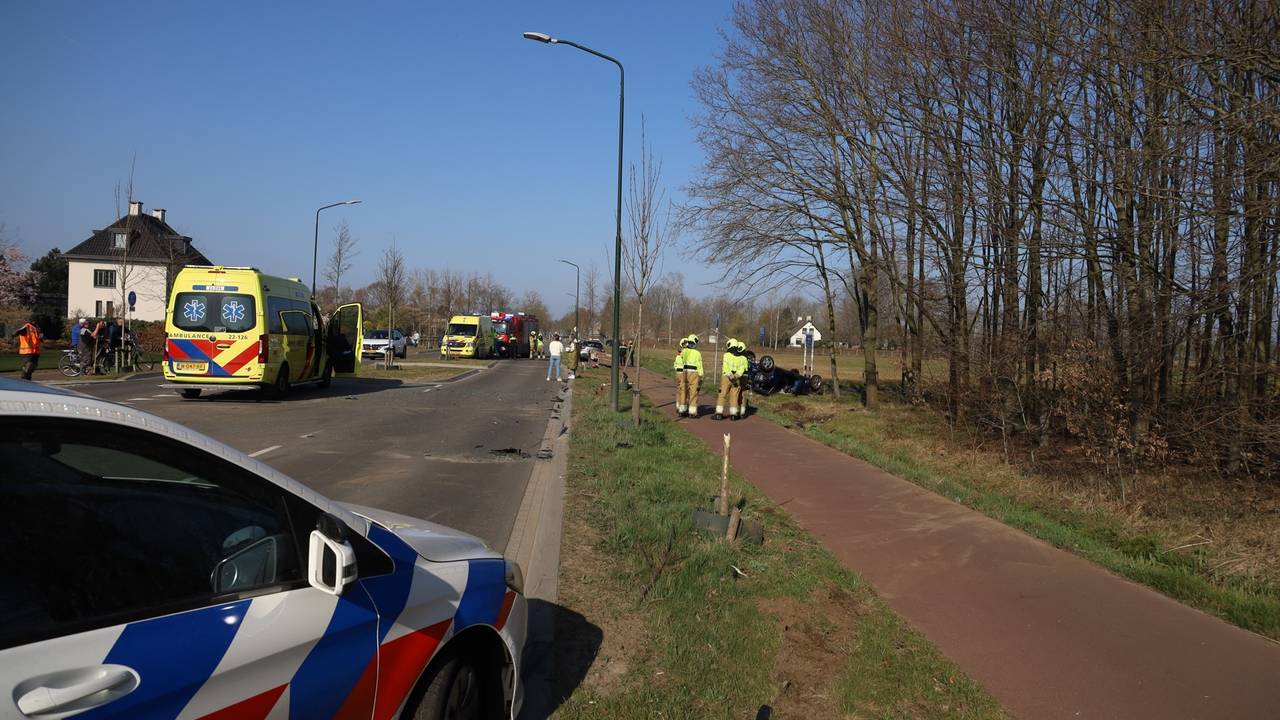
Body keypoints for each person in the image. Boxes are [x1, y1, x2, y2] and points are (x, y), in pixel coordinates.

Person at [716, 338, 750, 420]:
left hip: (726, 377)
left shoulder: (726, 355)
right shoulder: (742, 358)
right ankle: (733, 415)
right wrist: (736, 376)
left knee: (722, 395)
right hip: (737, 379)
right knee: (734, 397)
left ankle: (719, 414)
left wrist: (731, 376)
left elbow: (725, 367)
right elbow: (741, 370)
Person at [672, 334, 704, 418]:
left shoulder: (684, 351)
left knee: (683, 391)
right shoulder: (697, 353)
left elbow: (681, 357)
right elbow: (700, 365)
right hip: (694, 373)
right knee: (693, 392)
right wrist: (701, 375)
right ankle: (692, 412)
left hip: (685, 372)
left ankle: (682, 410)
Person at [13, 316, 42, 380]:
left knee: (33, 366)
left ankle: (27, 380)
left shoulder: (36, 328)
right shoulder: (27, 327)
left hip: (35, 351)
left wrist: (41, 338)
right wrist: (15, 334)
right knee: (28, 367)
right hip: (28, 352)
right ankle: (24, 380)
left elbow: (37, 338)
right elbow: (19, 331)